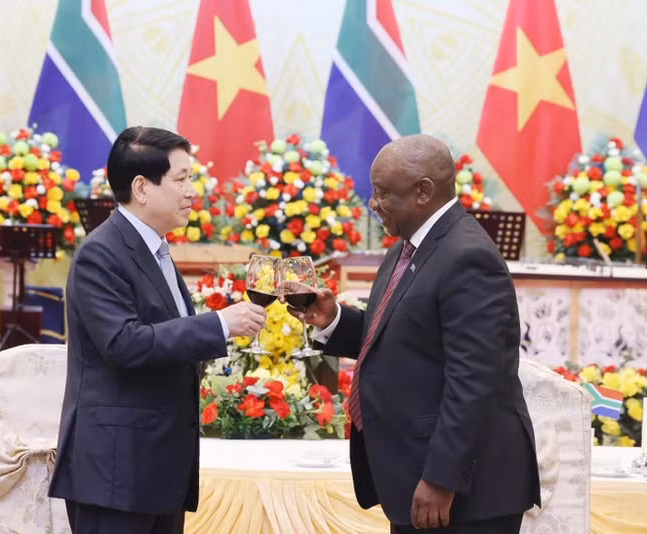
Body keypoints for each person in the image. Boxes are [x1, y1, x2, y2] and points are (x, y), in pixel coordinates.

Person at [285, 134, 541, 532]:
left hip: (463, 491)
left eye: (384, 192)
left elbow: (475, 379)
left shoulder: (467, 256)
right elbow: (401, 339)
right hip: (416, 474)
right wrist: (334, 318)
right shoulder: (408, 247)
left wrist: (442, 478)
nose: (372, 203)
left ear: (424, 192)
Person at [49, 126, 267, 534]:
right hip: (115, 474)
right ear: (141, 187)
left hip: (155, 470)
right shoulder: (102, 253)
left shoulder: (156, 249)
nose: (191, 191)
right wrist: (220, 323)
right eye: (181, 179)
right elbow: (123, 344)